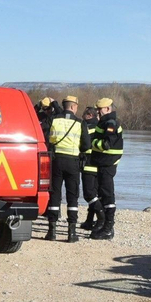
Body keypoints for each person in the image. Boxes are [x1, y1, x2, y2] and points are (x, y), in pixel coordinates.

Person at [45, 96, 86, 242]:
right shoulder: (80, 123)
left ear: (64, 106)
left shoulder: (54, 120)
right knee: (72, 197)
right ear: (74, 107)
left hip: (56, 161)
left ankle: (52, 231)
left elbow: (47, 138)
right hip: (73, 162)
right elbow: (86, 145)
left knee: (55, 195)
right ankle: (71, 233)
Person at [89, 97, 124, 240]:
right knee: (103, 194)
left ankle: (108, 229)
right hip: (103, 163)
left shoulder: (110, 123)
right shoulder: (104, 122)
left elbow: (106, 145)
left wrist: (91, 143)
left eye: (100, 109)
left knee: (108, 195)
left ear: (108, 109)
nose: (98, 112)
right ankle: (103, 225)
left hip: (107, 164)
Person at [80, 105, 101, 231]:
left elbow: (83, 145)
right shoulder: (100, 127)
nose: (82, 117)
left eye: (84, 115)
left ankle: (101, 217)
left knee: (89, 195)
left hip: (88, 165)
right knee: (96, 194)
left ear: (90, 115)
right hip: (99, 166)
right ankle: (89, 220)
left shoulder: (86, 127)